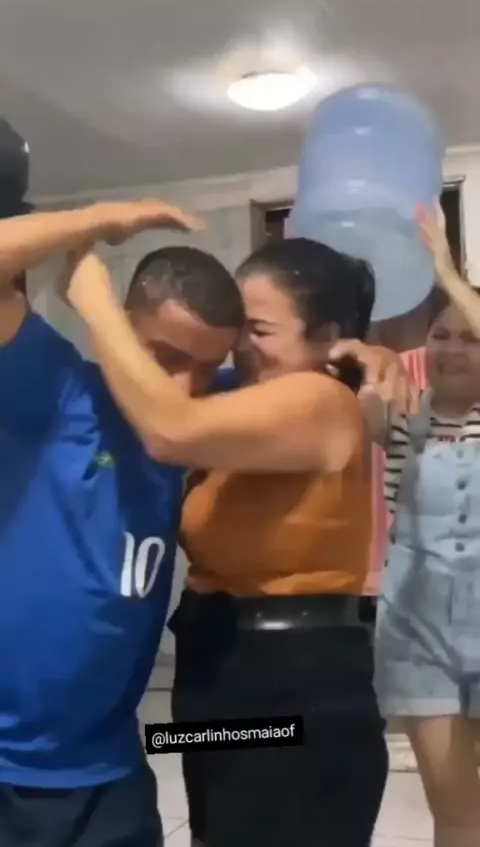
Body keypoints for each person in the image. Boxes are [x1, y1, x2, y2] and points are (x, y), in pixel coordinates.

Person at [63, 236, 409, 847]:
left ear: (326, 336)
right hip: (215, 667)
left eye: (259, 329)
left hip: (293, 687)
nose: (238, 344)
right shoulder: (240, 400)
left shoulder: (320, 398)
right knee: (215, 830)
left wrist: (95, 304)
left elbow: (169, 430)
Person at [0, 202, 244, 847]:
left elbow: (311, 390)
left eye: (206, 367)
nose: (184, 388)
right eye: (164, 356)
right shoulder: (53, 386)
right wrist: (104, 219)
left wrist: (366, 359)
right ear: (121, 326)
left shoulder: (198, 418)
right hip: (8, 768)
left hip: (112, 769)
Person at [362, 205, 480, 847]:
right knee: (458, 813)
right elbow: (342, 410)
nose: (452, 348)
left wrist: (448, 274)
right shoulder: (402, 412)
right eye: (440, 334)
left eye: (470, 336)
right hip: (419, 634)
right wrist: (363, 352)